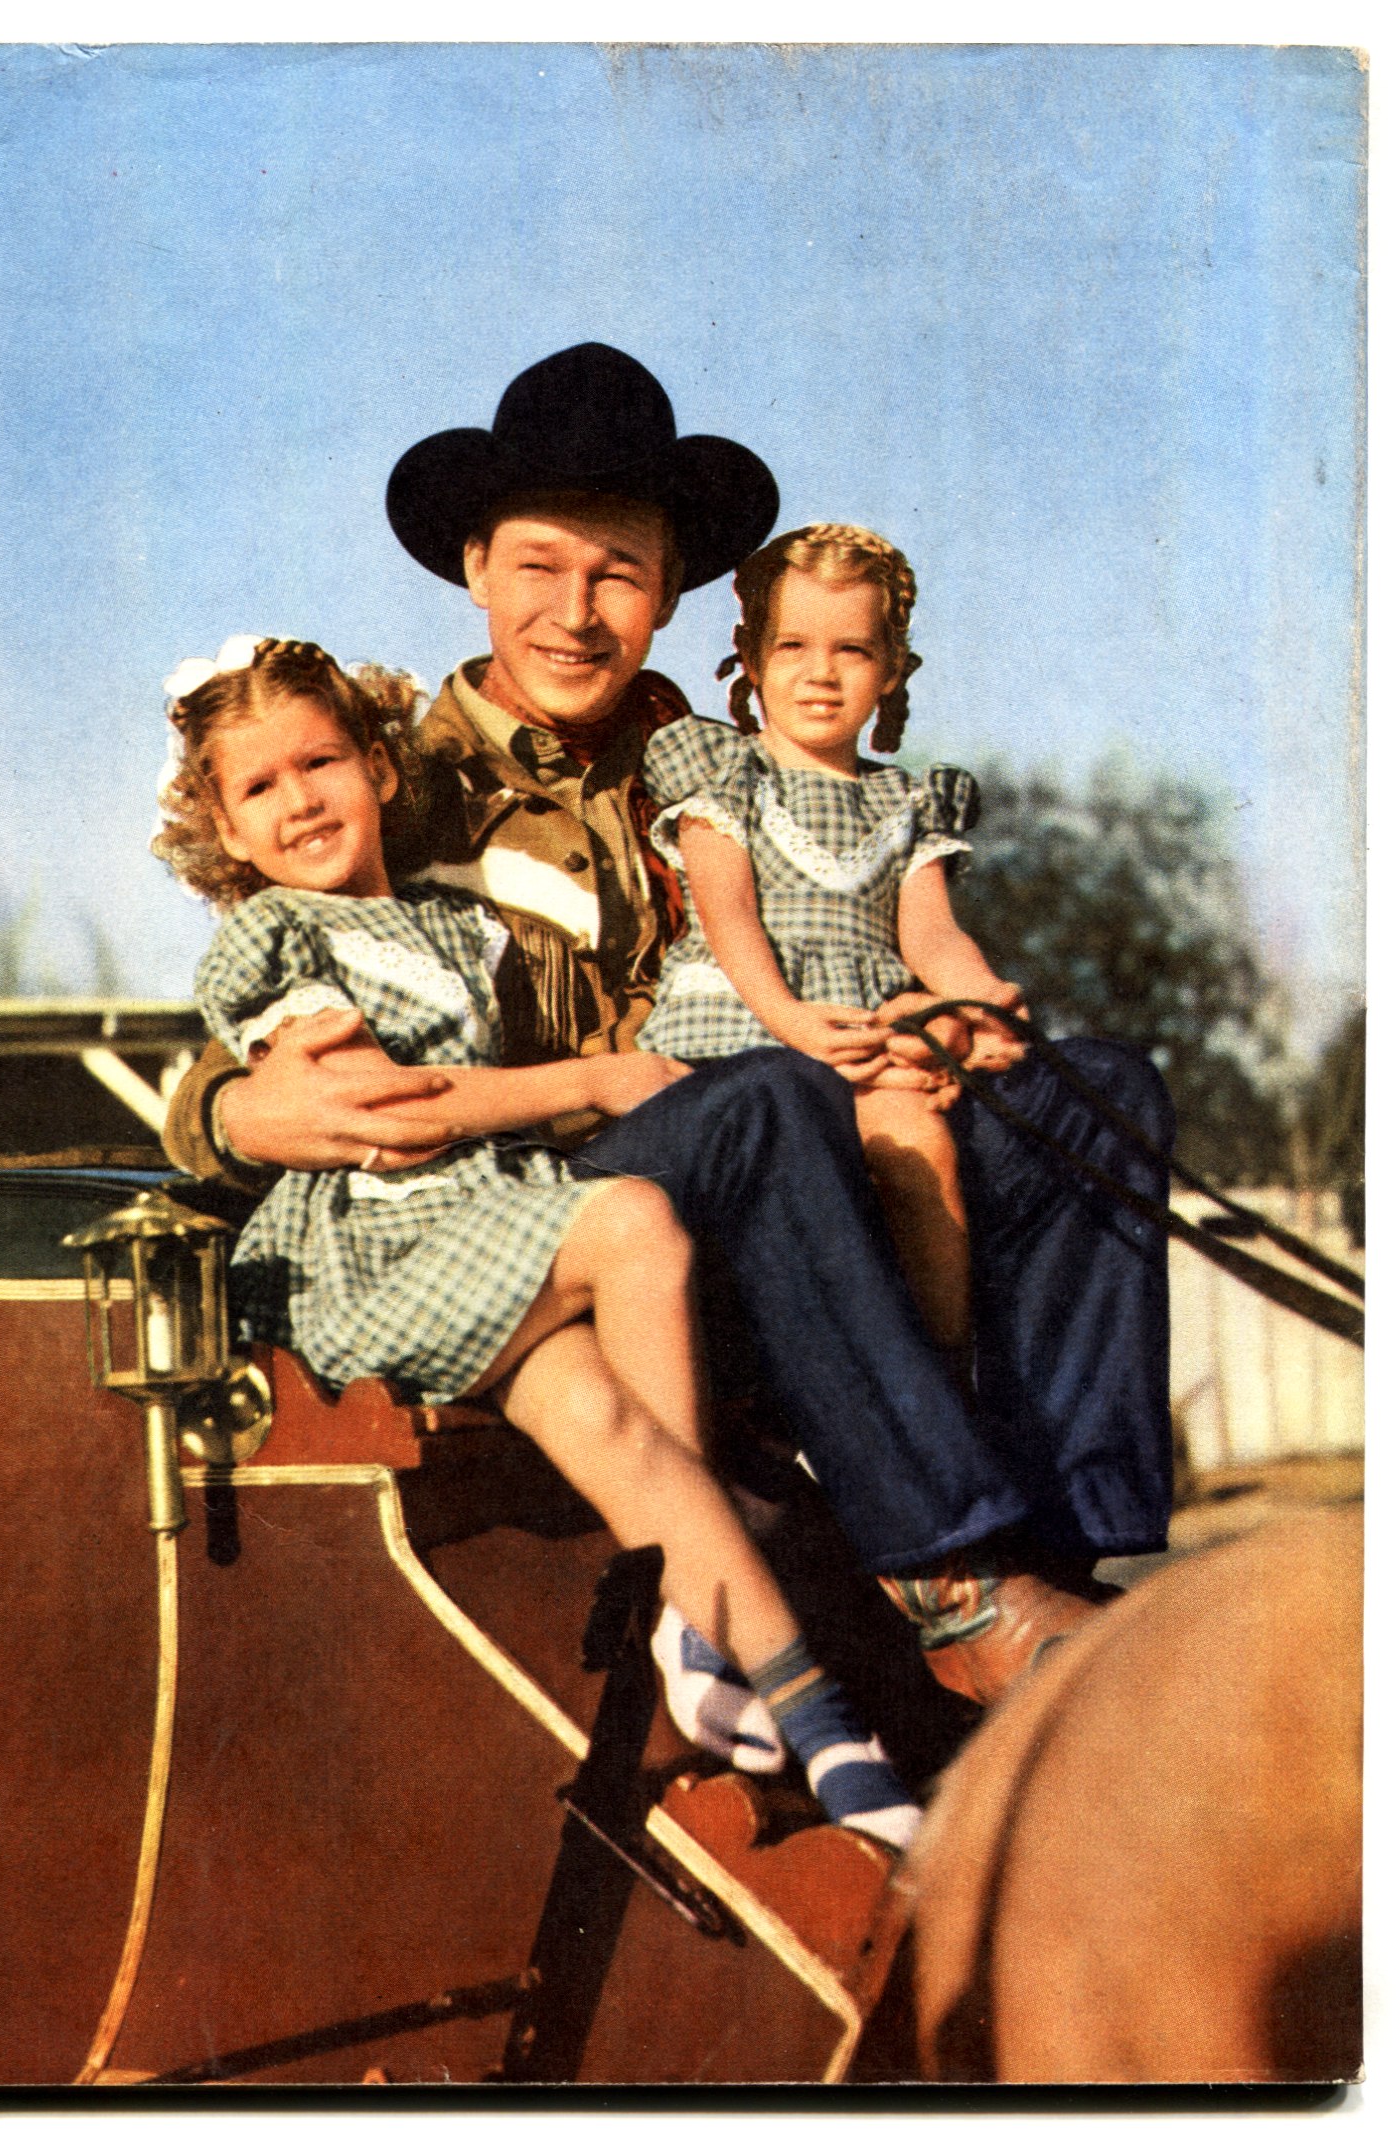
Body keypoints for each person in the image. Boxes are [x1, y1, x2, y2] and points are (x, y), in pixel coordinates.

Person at [163, 343, 1175, 1713]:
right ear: (475, 566)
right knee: (762, 1102)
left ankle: (1068, 1545)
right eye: (539, 566)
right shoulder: (379, 783)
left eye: (619, 573)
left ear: (674, 589)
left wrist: (931, 1017)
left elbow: (846, 932)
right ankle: (951, 1577)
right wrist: (230, 1109)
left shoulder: (729, 767)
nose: (576, 613)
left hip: (793, 1159)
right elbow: (248, 1017)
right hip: (556, 1200)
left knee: (1085, 1087)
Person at [153, 631, 924, 1847]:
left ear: (379, 769)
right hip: (381, 1248)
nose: (299, 800)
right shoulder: (277, 939)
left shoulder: (459, 930)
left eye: (322, 762)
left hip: (484, 1231)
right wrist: (598, 1078)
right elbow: (384, 1113)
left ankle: (832, 1746)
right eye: (260, 786)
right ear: (227, 830)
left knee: (611, 1425)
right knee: (632, 1222)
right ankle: (691, 1608)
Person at [637, 522, 1024, 1373]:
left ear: (892, 670)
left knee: (919, 1146)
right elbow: (729, 916)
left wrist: (982, 998)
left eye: (852, 649)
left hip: (861, 1035)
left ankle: (942, 1379)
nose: (821, 672)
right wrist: (790, 1019)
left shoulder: (905, 800)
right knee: (800, 1152)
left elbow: (930, 931)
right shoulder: (724, 774)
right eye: (793, 646)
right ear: (749, 657)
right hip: (746, 1024)